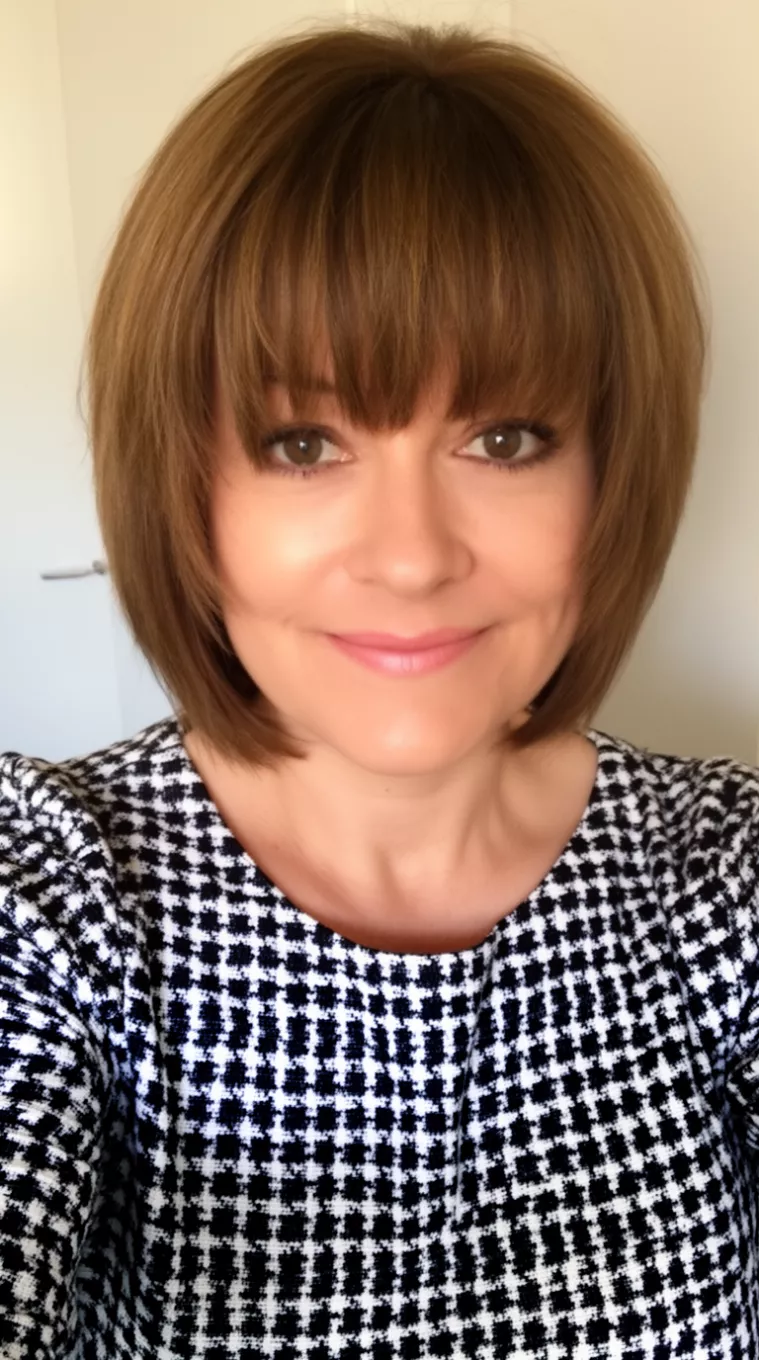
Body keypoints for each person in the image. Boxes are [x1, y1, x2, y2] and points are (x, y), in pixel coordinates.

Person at [1, 14, 757, 1358]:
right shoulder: (60, 891)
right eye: (303, 441)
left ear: (610, 474)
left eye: (505, 436)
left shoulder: (720, 882)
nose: (410, 557)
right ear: (183, 485)